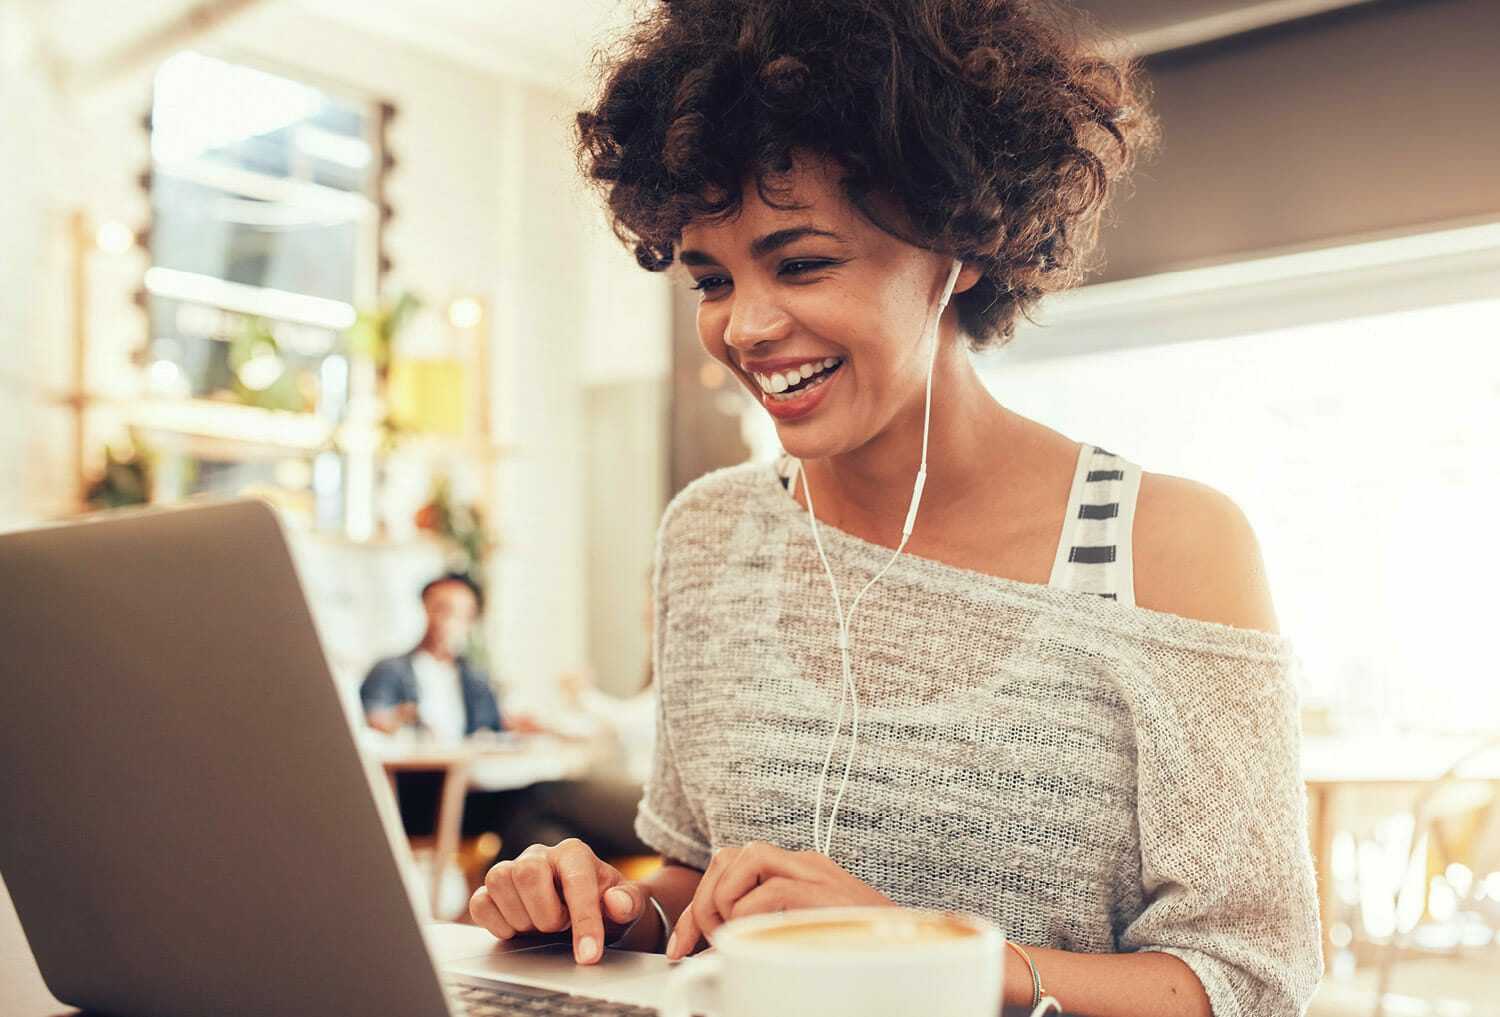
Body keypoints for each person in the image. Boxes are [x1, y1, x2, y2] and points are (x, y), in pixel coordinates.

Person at [469, 1, 1322, 1014]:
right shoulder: (713, 538)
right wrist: (615, 911)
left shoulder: (1167, 548)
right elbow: (704, 888)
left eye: (803, 262)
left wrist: (920, 952)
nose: (744, 325)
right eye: (710, 278)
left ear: (960, 244)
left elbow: (1251, 983)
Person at [360, 572, 538, 838]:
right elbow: (371, 720)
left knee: (537, 812)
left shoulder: (474, 678)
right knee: (540, 804)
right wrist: (397, 719)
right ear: (425, 610)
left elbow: (494, 728)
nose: (447, 621)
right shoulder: (391, 670)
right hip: (416, 797)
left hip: (470, 791)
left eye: (459, 613)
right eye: (440, 609)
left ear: (471, 621)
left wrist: (523, 726)